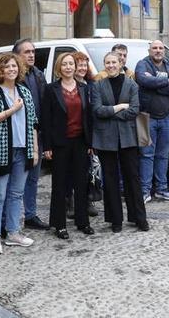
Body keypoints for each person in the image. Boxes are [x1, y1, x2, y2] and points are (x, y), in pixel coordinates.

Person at [0, 52, 39, 255]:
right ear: (0, 70)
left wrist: (36, 149)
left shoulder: (24, 91)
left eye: (14, 66)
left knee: (16, 194)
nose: (12, 70)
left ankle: (13, 233)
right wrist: (11, 110)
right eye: (7, 67)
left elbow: (32, 122)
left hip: (24, 150)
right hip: (1, 151)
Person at [92, 52, 149, 232]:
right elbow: (97, 110)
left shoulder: (132, 85)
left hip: (128, 137)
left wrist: (111, 114)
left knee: (132, 178)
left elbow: (134, 110)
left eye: (114, 62)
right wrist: (118, 108)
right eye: (107, 62)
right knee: (110, 179)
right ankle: (115, 219)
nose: (111, 65)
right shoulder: (98, 85)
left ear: (120, 63)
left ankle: (139, 218)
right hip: (106, 138)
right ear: (105, 65)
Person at [42, 53, 95, 238]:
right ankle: (59, 225)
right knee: (60, 185)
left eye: (71, 64)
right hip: (59, 144)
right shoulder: (50, 89)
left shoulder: (83, 88)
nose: (68, 67)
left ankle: (83, 221)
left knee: (82, 183)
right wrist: (46, 146)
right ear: (59, 67)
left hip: (80, 142)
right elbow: (46, 119)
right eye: (64, 64)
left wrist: (90, 142)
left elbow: (88, 117)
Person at [135, 39, 169, 202]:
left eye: (160, 48)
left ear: (164, 51)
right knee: (145, 155)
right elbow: (142, 80)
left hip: (167, 117)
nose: (158, 50)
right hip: (144, 117)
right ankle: (145, 191)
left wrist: (154, 82)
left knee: (163, 155)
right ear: (150, 51)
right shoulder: (142, 64)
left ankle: (161, 189)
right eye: (154, 48)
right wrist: (165, 81)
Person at [12, 38, 49, 231]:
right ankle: (10, 220)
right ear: (17, 55)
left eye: (33, 51)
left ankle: (31, 215)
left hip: (37, 134)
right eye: (27, 52)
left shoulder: (39, 75)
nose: (32, 55)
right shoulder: (12, 76)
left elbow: (44, 104)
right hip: (17, 135)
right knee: (15, 180)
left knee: (34, 177)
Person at [71, 52, 100, 218]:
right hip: (75, 132)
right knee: (72, 170)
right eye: (78, 64)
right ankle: (71, 201)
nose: (82, 68)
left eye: (84, 65)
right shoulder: (68, 85)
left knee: (90, 169)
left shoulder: (91, 84)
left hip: (90, 132)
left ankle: (88, 199)